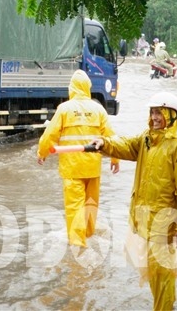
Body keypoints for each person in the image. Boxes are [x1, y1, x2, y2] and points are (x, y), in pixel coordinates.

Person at [91, 92, 177, 311]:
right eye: (153, 112)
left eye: (160, 113)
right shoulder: (146, 141)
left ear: (172, 116)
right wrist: (103, 143)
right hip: (145, 219)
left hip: (164, 223)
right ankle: (167, 306)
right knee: (155, 272)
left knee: (162, 273)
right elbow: (126, 146)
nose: (155, 117)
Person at [37, 70, 119, 248]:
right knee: (91, 205)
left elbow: (50, 135)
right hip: (93, 168)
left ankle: (78, 250)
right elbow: (111, 137)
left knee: (75, 209)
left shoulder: (64, 109)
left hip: (72, 169)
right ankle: (89, 237)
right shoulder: (98, 109)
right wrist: (115, 159)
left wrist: (42, 153)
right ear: (88, 88)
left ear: (72, 88)